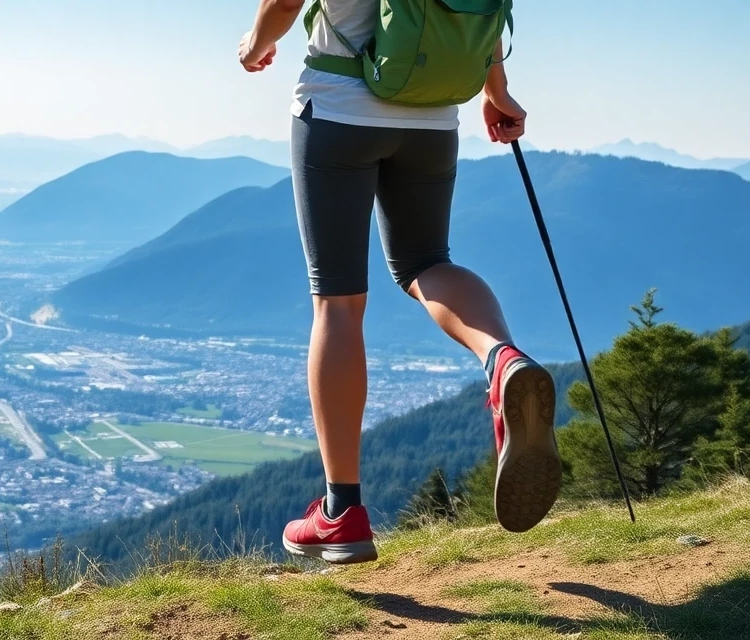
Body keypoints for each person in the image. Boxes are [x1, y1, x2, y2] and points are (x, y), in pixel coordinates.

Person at [237, 0, 561, 565]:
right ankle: (502, 358)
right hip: (432, 118)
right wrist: (496, 89)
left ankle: (342, 512)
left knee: (337, 303)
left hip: (338, 108)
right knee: (426, 262)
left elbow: (285, 3)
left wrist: (255, 44)